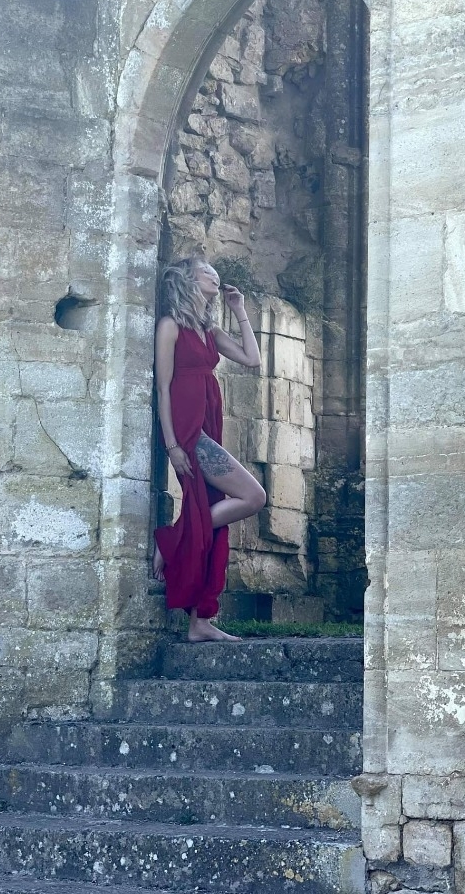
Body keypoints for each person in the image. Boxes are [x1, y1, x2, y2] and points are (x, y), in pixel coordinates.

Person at [153, 256, 266, 642]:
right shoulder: (170, 325)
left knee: (212, 510)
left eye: (215, 272)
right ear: (187, 279)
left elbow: (252, 359)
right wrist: (172, 444)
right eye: (205, 271)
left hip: (208, 422)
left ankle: (199, 621)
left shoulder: (209, 329)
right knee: (253, 496)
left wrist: (240, 310)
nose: (214, 275)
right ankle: (173, 540)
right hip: (187, 430)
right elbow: (163, 389)